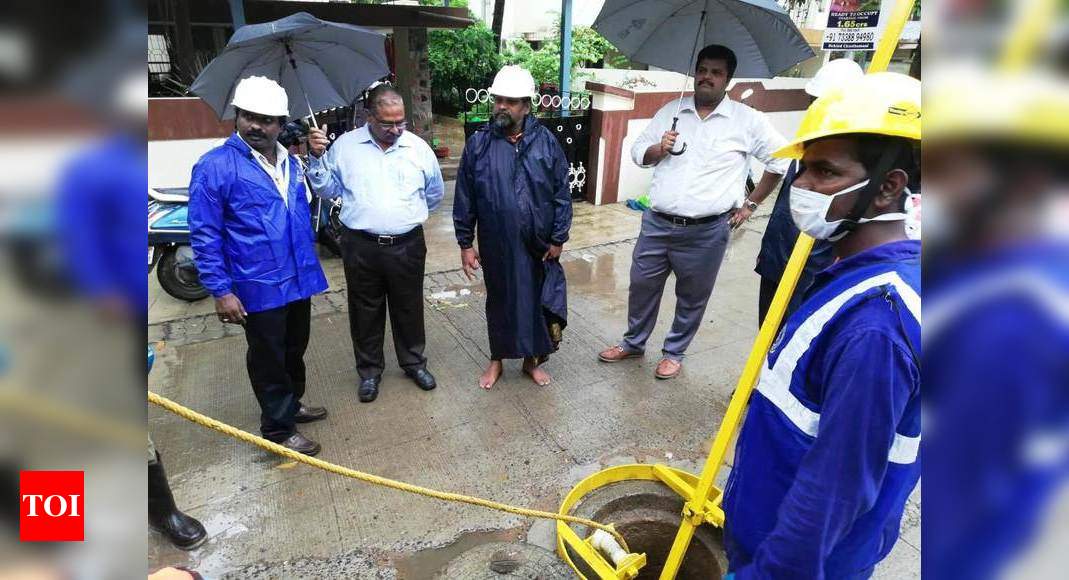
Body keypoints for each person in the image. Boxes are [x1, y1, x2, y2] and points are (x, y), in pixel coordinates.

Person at [721, 72, 921, 579]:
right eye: (803, 169)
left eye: (825, 172)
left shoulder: (878, 323)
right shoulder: (860, 276)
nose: (802, 187)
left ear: (888, 188)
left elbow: (834, 490)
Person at [598, 44, 790, 379]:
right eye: (702, 69)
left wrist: (750, 205)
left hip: (707, 231)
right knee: (642, 286)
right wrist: (660, 148)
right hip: (657, 224)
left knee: (692, 297)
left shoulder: (747, 121)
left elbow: (781, 161)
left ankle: (674, 352)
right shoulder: (672, 111)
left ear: (727, 79)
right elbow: (638, 151)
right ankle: (633, 342)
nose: (707, 77)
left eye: (716, 72)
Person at [189, 76, 329, 456]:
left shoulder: (291, 162)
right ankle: (278, 430)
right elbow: (204, 234)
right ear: (237, 117)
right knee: (267, 357)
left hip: (297, 276)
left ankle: (292, 404)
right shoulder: (214, 167)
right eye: (249, 116)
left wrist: (316, 157)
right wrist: (220, 290)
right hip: (256, 283)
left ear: (281, 124)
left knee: (294, 348)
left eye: (267, 119)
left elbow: (313, 206)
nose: (256, 125)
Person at [307, 85, 445, 403]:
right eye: (387, 123)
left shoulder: (417, 148)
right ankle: (369, 372)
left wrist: (404, 216)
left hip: (407, 244)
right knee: (364, 310)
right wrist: (317, 158)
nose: (396, 129)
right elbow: (327, 190)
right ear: (370, 117)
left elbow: (434, 193)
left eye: (401, 122)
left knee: (408, 306)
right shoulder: (345, 147)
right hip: (361, 245)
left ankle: (413, 363)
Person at [453, 65, 572, 390]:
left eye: (511, 101)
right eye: (498, 99)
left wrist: (559, 236)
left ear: (527, 105)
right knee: (501, 300)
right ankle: (497, 359)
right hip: (496, 241)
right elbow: (465, 195)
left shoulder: (545, 142)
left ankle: (532, 361)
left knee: (534, 301)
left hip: (537, 242)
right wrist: (466, 242)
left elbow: (562, 191)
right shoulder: (479, 144)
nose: (502, 106)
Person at [753, 58, 863, 327]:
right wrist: (769, 252)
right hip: (778, 261)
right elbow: (784, 207)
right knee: (768, 334)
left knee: (797, 337)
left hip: (815, 271)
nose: (816, 110)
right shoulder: (806, 145)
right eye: (814, 102)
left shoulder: (857, 162)